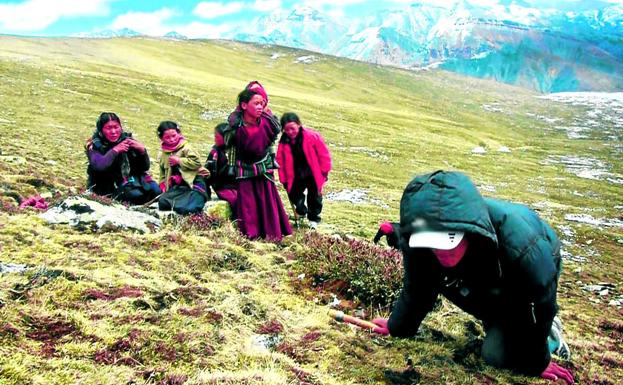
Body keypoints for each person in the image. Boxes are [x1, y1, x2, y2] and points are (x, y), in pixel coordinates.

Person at [371, 170, 574, 385]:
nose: (443, 253)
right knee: (471, 297)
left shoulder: (524, 248)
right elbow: (418, 288)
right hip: (484, 272)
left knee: (497, 355)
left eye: (449, 242)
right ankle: (499, 322)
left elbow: (542, 304)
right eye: (435, 244)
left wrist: (537, 361)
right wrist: (398, 327)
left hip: (527, 269)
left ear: (467, 231)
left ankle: (550, 335)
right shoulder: (418, 243)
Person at [223, 89, 292, 241]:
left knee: (267, 200)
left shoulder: (268, 123)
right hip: (244, 168)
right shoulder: (235, 127)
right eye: (256, 103)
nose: (260, 107)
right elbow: (230, 149)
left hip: (263, 166)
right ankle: (251, 234)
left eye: (262, 103)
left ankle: (272, 234)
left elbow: (270, 142)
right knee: (248, 203)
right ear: (244, 105)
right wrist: (231, 167)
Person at [86, 112, 160, 204]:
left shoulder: (127, 140)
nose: (113, 132)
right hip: (107, 187)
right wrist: (115, 150)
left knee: (156, 191)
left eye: (116, 127)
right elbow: (100, 165)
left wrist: (142, 151)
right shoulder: (95, 145)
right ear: (101, 130)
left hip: (131, 181)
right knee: (134, 195)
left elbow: (144, 167)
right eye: (108, 128)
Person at [276, 112, 331, 229]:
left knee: (315, 196)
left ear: (299, 125)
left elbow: (323, 154)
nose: (290, 132)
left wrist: (325, 171)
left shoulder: (312, 136)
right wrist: (283, 179)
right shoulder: (283, 142)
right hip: (295, 174)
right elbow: (280, 162)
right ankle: (301, 210)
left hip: (313, 172)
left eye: (292, 128)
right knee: (294, 194)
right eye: (287, 129)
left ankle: (313, 219)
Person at [156, 121, 209, 215]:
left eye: (174, 135)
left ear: (179, 133)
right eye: (167, 137)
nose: (172, 139)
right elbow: (163, 172)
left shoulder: (187, 148)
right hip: (178, 188)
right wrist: (163, 184)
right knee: (163, 202)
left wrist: (179, 161)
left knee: (190, 208)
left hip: (193, 184)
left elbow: (197, 163)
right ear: (161, 138)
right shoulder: (164, 154)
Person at [204, 122, 238, 213]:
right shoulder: (214, 153)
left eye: (217, 137)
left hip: (237, 185)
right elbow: (207, 172)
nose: (215, 139)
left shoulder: (237, 151)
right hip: (222, 187)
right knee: (236, 200)